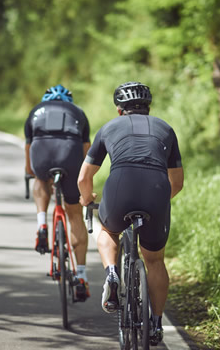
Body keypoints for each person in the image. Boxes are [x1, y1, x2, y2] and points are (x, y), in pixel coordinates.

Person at [77, 81, 184, 344]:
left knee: (109, 230)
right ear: (148, 107)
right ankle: (156, 323)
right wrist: (156, 202)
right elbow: (178, 182)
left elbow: (84, 177)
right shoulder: (165, 128)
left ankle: (112, 273)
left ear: (119, 109)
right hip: (157, 189)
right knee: (155, 260)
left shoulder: (108, 128)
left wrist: (86, 197)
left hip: (120, 187)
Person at [24, 84, 92, 301]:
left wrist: (30, 172)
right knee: (74, 214)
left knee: (40, 180)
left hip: (41, 152)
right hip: (71, 154)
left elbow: (29, 149)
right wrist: (81, 180)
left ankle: (42, 224)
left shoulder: (35, 111)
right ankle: (81, 276)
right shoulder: (78, 113)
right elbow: (86, 153)